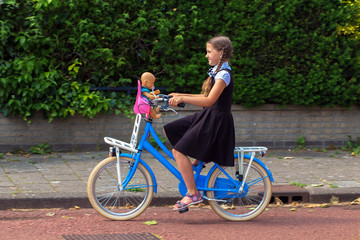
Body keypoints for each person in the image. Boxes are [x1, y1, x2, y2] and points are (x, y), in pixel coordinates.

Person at [163, 35, 235, 211]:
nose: (206, 55)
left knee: (178, 151)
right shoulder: (217, 72)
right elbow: (204, 97)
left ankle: (193, 193)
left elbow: (209, 100)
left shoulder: (224, 74)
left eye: (209, 51)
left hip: (216, 120)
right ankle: (199, 157)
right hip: (209, 115)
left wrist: (182, 98)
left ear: (220, 52)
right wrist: (178, 95)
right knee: (171, 129)